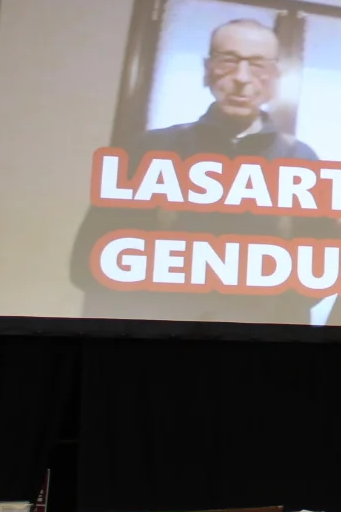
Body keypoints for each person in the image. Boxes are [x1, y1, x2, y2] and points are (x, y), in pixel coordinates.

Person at [70, 18, 319, 321]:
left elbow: (311, 283)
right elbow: (88, 264)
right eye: (228, 61)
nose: (242, 77)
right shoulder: (151, 149)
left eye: (258, 65)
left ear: (275, 77)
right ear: (207, 69)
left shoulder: (301, 160)